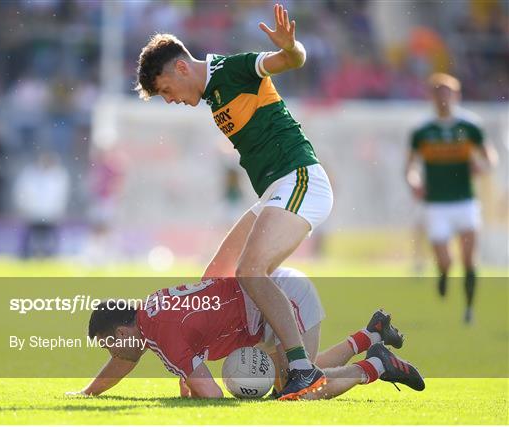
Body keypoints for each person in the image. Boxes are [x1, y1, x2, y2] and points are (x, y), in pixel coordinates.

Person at [135, 4, 333, 398]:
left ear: (181, 69)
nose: (170, 100)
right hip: (276, 189)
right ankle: (363, 355)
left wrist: (292, 48)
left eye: (166, 92)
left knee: (250, 271)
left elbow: (292, 60)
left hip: (301, 179)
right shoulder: (212, 93)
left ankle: (300, 366)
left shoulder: (233, 69)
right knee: (217, 273)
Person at [65, 267, 424, 400]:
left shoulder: (159, 332)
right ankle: (370, 336)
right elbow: (124, 364)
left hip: (278, 298)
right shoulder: (149, 314)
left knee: (300, 389)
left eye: (111, 344)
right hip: (261, 308)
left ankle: (376, 365)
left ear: (126, 329)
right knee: (298, 373)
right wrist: (87, 392)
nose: (113, 354)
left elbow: (210, 392)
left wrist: (204, 388)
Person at [405, 73, 497, 323]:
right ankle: (444, 273)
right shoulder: (422, 131)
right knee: (446, 259)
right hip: (436, 205)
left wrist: (483, 166)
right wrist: (414, 181)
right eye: (438, 92)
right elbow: (410, 166)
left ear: (457, 95)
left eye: (448, 92)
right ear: (431, 97)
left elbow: (490, 157)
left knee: (469, 258)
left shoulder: (470, 126)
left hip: (466, 201)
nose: (443, 98)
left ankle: (469, 309)